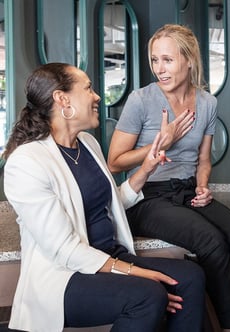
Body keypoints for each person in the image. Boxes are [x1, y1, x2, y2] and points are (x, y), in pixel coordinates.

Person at [2, 62, 206, 332]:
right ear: (62, 99)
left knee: (191, 277)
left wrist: (146, 168)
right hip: (65, 276)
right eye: (87, 88)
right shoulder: (27, 162)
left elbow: (107, 205)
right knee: (148, 295)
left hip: (108, 256)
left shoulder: (88, 143)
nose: (97, 96)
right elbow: (65, 250)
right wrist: (140, 273)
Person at [107, 24, 230, 332]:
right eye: (155, 60)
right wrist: (163, 142)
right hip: (148, 196)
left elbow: (203, 159)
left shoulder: (207, 104)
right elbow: (115, 162)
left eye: (168, 60)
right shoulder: (140, 100)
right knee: (210, 240)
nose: (160, 69)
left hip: (187, 189)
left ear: (188, 60)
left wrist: (202, 184)